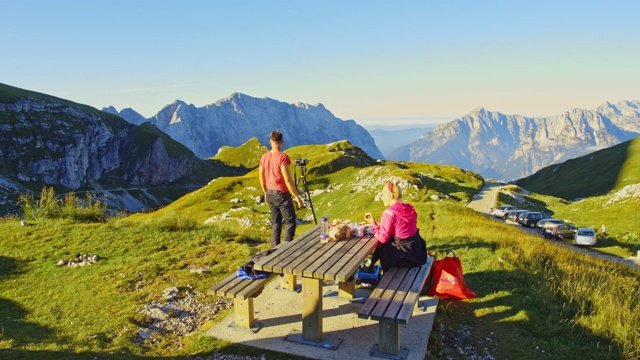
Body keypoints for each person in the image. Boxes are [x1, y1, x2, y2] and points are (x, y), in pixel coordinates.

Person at [363, 181, 427, 271]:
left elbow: (382, 238)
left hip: (401, 257)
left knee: (382, 244)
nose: (382, 198)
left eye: (383, 195)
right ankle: (371, 265)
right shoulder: (410, 208)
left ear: (391, 196)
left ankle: (371, 265)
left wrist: (374, 225)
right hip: (415, 253)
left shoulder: (389, 213)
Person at [259, 131, 305, 249]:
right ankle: (285, 251)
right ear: (282, 142)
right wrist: (297, 197)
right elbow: (287, 179)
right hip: (281, 194)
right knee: (290, 222)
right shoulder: (283, 157)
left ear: (270, 142)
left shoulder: (264, 157)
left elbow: (261, 177)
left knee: (276, 223)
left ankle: (274, 250)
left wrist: (265, 193)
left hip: (269, 192)